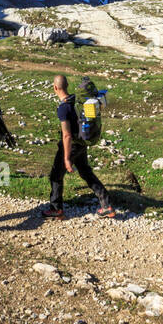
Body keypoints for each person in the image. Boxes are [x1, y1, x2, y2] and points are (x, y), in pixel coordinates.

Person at [42, 75, 115, 220]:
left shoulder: (64, 108)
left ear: (55, 88)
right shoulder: (77, 99)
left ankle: (56, 209)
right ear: (67, 85)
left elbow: (67, 135)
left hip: (72, 145)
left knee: (56, 176)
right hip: (82, 143)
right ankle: (106, 205)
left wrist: (67, 158)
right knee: (85, 172)